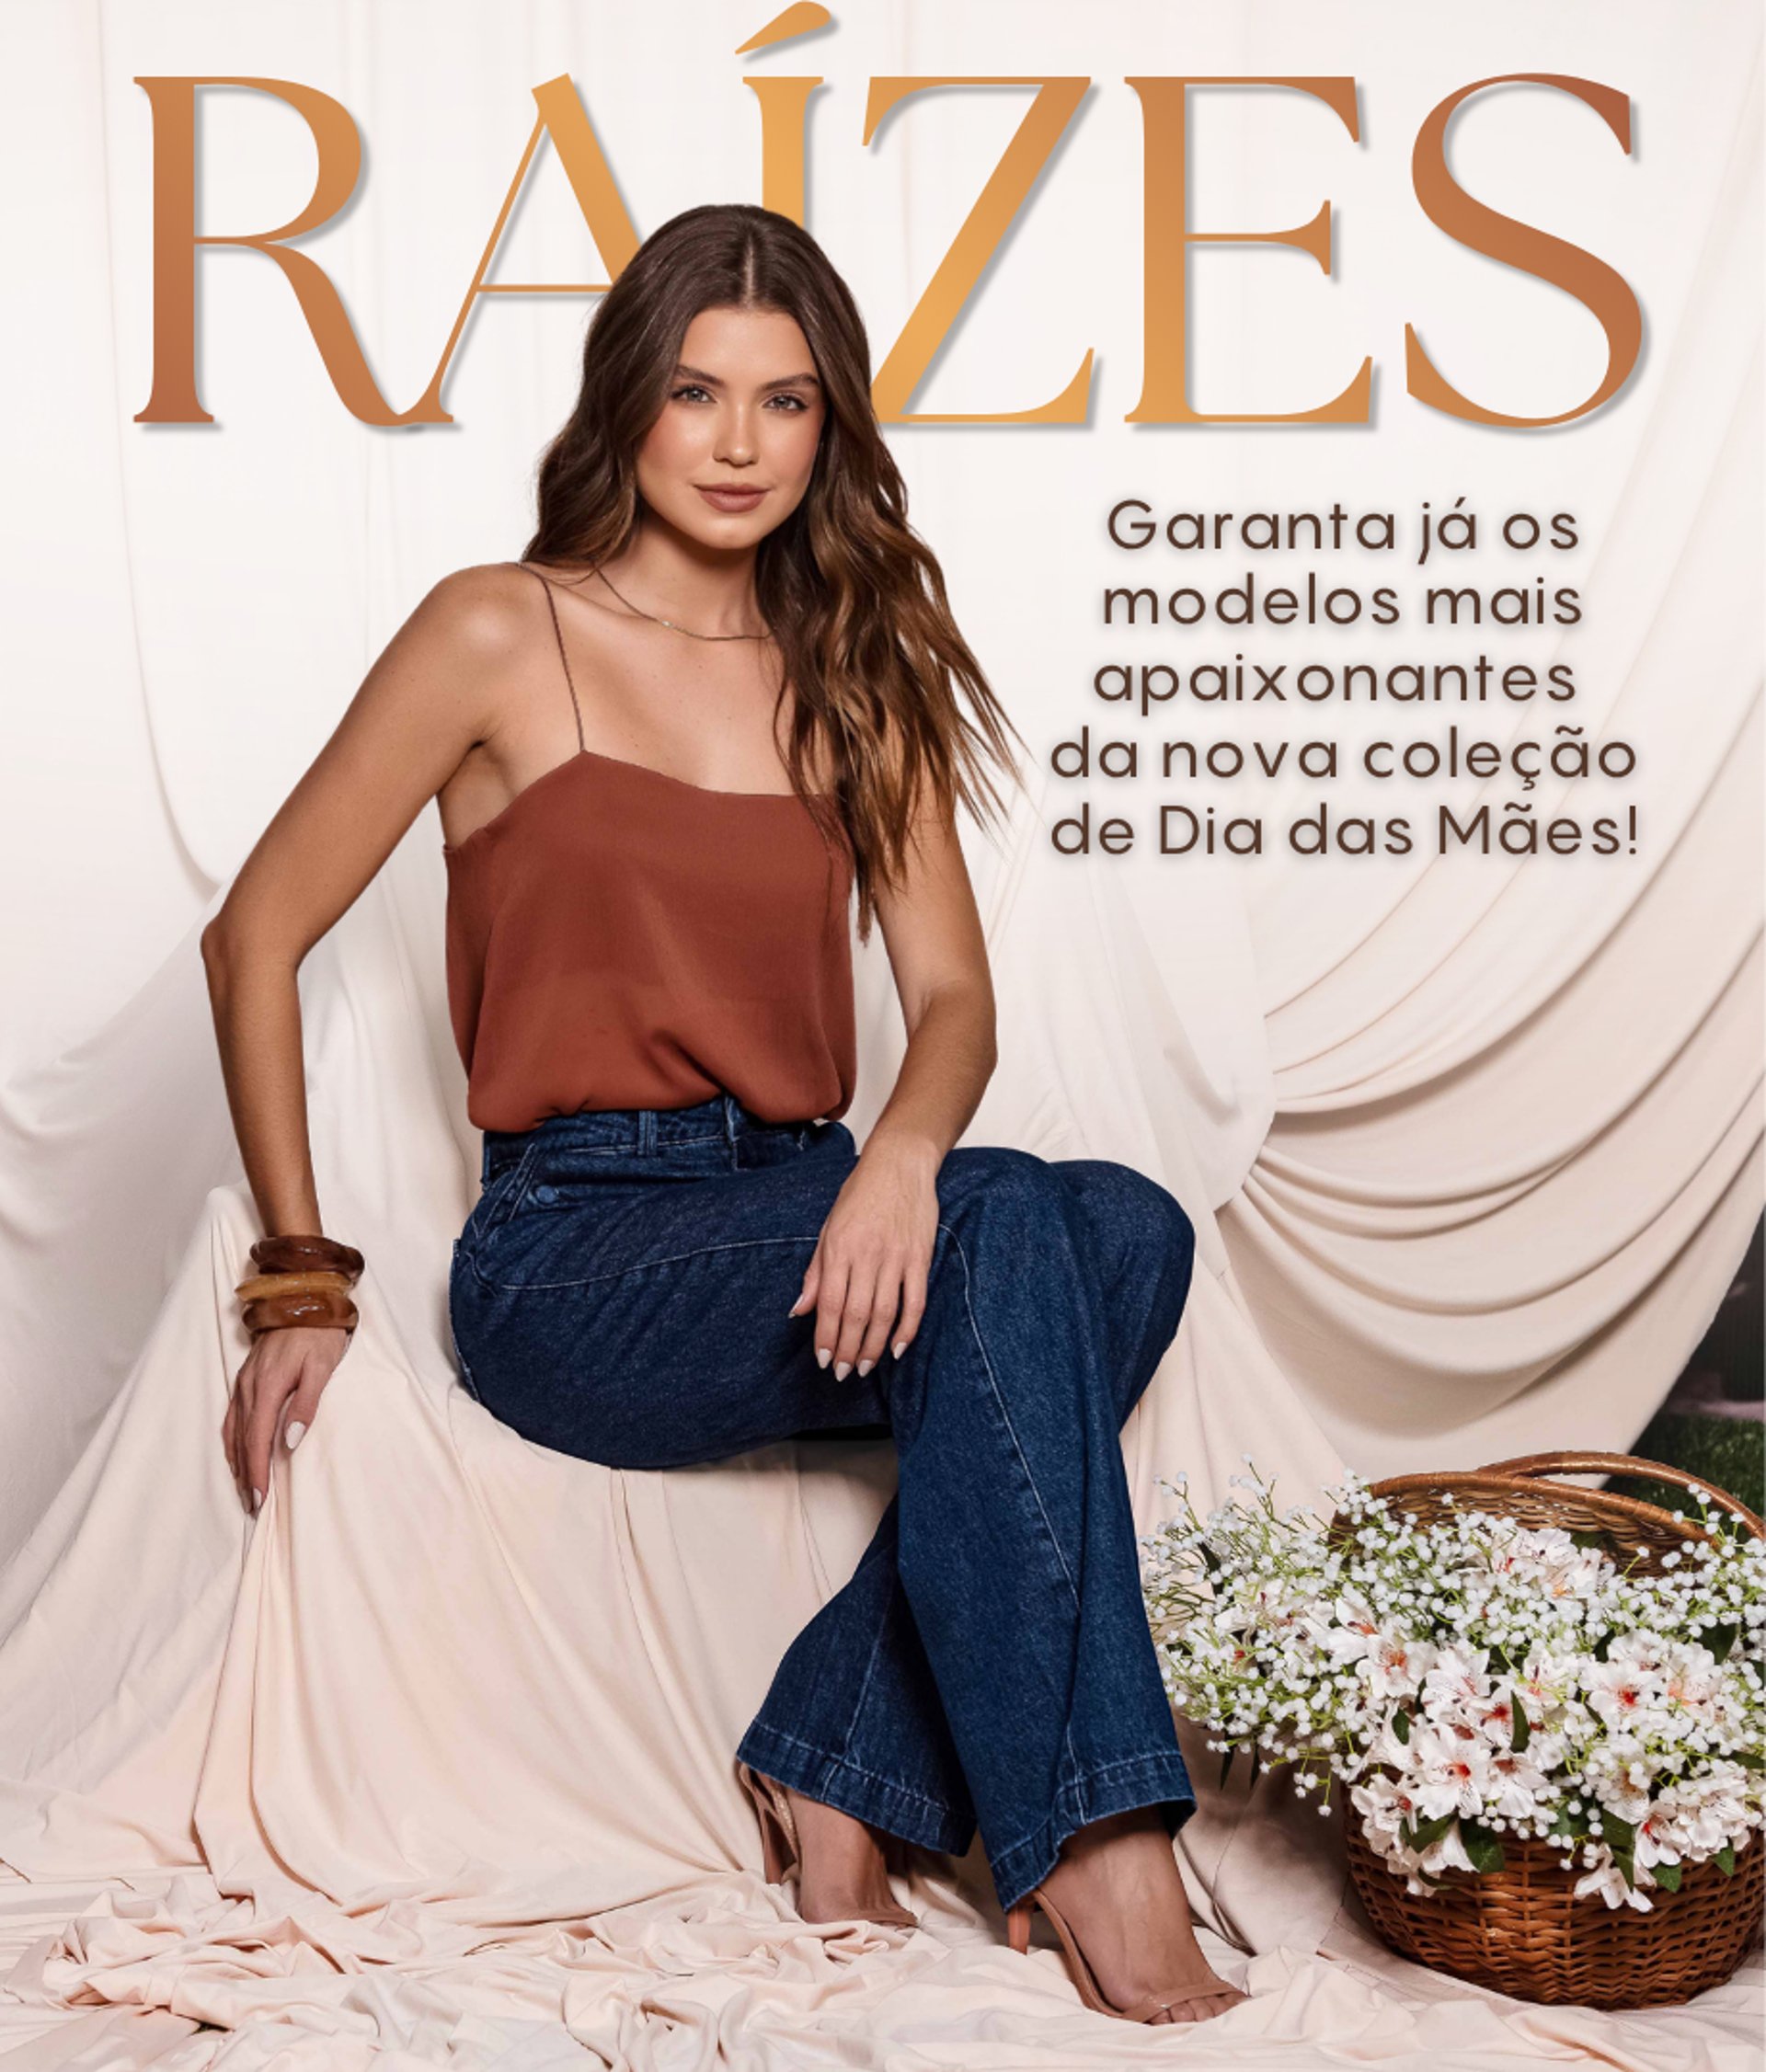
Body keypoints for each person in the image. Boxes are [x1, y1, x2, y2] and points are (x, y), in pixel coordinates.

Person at [199, 202, 1247, 2029]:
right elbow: (256, 931)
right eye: (699, 394)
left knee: (1131, 1228)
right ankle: (1095, 1836)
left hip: (812, 1207)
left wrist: (902, 1157)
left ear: (833, 424)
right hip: (577, 1250)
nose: (744, 443)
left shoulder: (855, 668)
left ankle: (841, 1750)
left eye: (788, 401)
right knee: (1024, 1223)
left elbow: (954, 1002)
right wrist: (297, 1271)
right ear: (633, 406)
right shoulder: (494, 632)